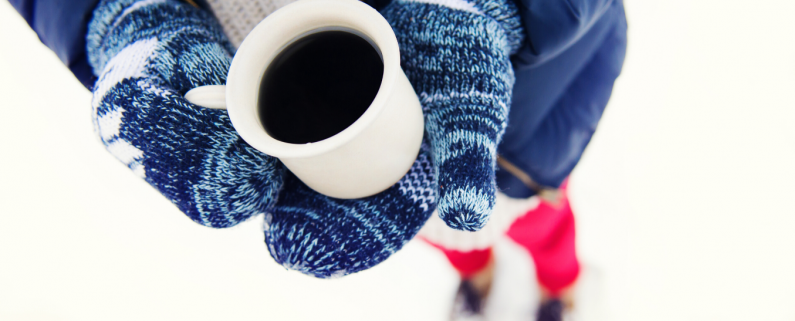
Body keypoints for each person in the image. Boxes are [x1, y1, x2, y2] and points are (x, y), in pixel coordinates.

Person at [9, 0, 626, 319]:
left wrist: (492, 4)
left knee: (539, 220)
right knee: (439, 229)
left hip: (531, 103)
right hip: (346, 145)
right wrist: (120, 14)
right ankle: (476, 274)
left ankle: (562, 288)